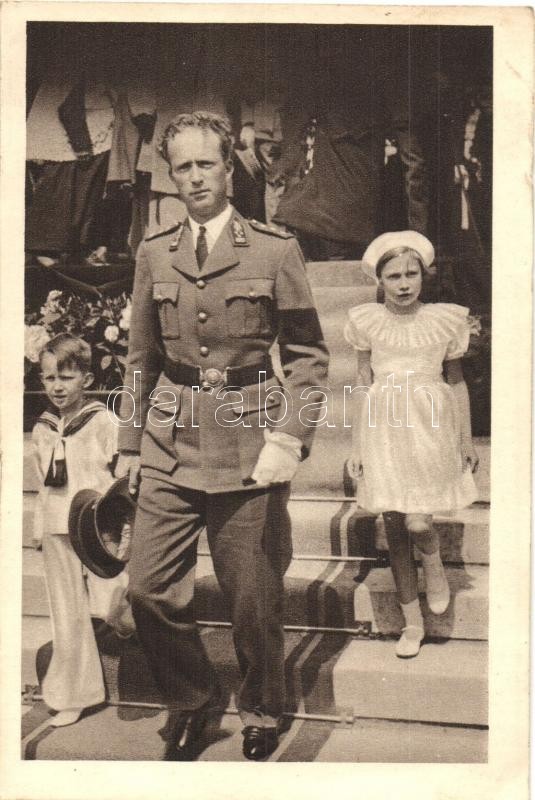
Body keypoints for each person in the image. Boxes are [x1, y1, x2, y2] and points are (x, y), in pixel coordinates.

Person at [115, 111, 329, 760]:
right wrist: (129, 444)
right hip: (169, 438)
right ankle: (193, 699)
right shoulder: (154, 252)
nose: (195, 176)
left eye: (206, 163)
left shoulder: (273, 249)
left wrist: (288, 437)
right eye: (182, 166)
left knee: (252, 598)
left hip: (248, 443)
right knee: (148, 587)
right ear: (171, 175)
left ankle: (262, 706)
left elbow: (308, 358)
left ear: (229, 168)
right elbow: (140, 358)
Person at [344, 231, 479, 658]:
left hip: (429, 423)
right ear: (379, 280)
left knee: (418, 522)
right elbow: (362, 382)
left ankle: (434, 563)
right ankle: (412, 623)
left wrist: (465, 439)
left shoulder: (444, 319)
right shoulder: (367, 321)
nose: (403, 284)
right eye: (393, 276)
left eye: (411, 274)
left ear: (423, 275)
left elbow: (456, 383)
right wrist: (356, 446)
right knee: (395, 528)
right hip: (384, 426)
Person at [32, 333, 133, 727]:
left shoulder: (102, 422)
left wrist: (122, 524)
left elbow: (123, 476)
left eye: (66, 377)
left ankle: (130, 628)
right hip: (58, 525)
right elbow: (44, 484)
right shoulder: (43, 429)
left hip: (97, 527)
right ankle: (76, 694)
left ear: (87, 379)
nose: (57, 387)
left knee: (114, 598)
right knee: (67, 613)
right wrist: (40, 527)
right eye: (49, 378)